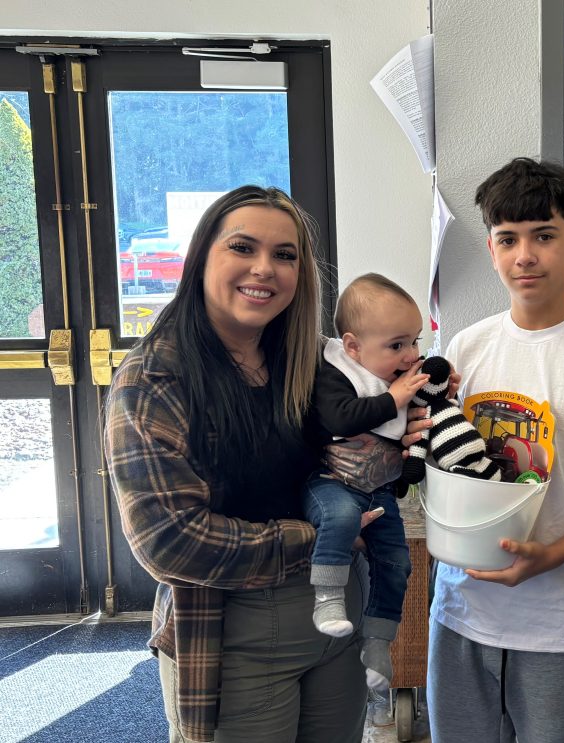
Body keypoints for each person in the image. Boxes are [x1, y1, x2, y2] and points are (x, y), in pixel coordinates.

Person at [105, 186, 375, 743]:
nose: (264, 268)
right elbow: (169, 541)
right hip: (233, 630)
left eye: (285, 255)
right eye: (242, 247)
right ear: (203, 256)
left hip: (339, 617)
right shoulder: (154, 379)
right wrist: (317, 540)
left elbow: (363, 455)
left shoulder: (312, 362)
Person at [409, 157, 564, 743]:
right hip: (462, 611)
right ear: (491, 249)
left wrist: (551, 554)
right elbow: (442, 455)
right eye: (507, 239)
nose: (525, 256)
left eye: (544, 236)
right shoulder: (466, 346)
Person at [303, 272, 427, 692]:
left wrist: (443, 388)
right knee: (338, 518)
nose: (411, 355)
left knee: (398, 562)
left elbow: (432, 405)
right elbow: (340, 417)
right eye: (397, 345)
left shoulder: (398, 372)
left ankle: (378, 645)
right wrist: (395, 398)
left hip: (378, 491)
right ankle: (327, 600)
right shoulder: (336, 370)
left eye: (415, 341)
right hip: (331, 482)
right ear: (353, 346)